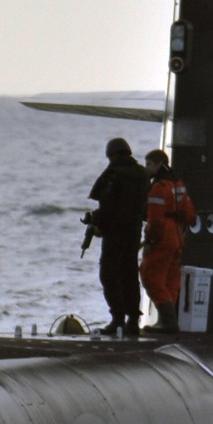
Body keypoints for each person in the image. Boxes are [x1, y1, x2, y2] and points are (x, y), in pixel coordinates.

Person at [83, 138, 150, 337]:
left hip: (115, 235)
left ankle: (118, 319)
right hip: (133, 234)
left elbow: (109, 207)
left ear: (112, 154)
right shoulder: (142, 175)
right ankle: (133, 321)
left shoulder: (115, 175)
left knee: (109, 276)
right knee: (129, 277)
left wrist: (97, 225)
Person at [139, 148, 196, 332]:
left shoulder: (158, 188)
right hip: (177, 235)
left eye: (148, 164)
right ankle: (167, 321)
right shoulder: (178, 184)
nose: (146, 168)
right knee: (170, 278)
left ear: (158, 165)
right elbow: (189, 215)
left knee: (151, 276)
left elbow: (154, 220)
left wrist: (150, 241)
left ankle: (168, 321)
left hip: (163, 236)